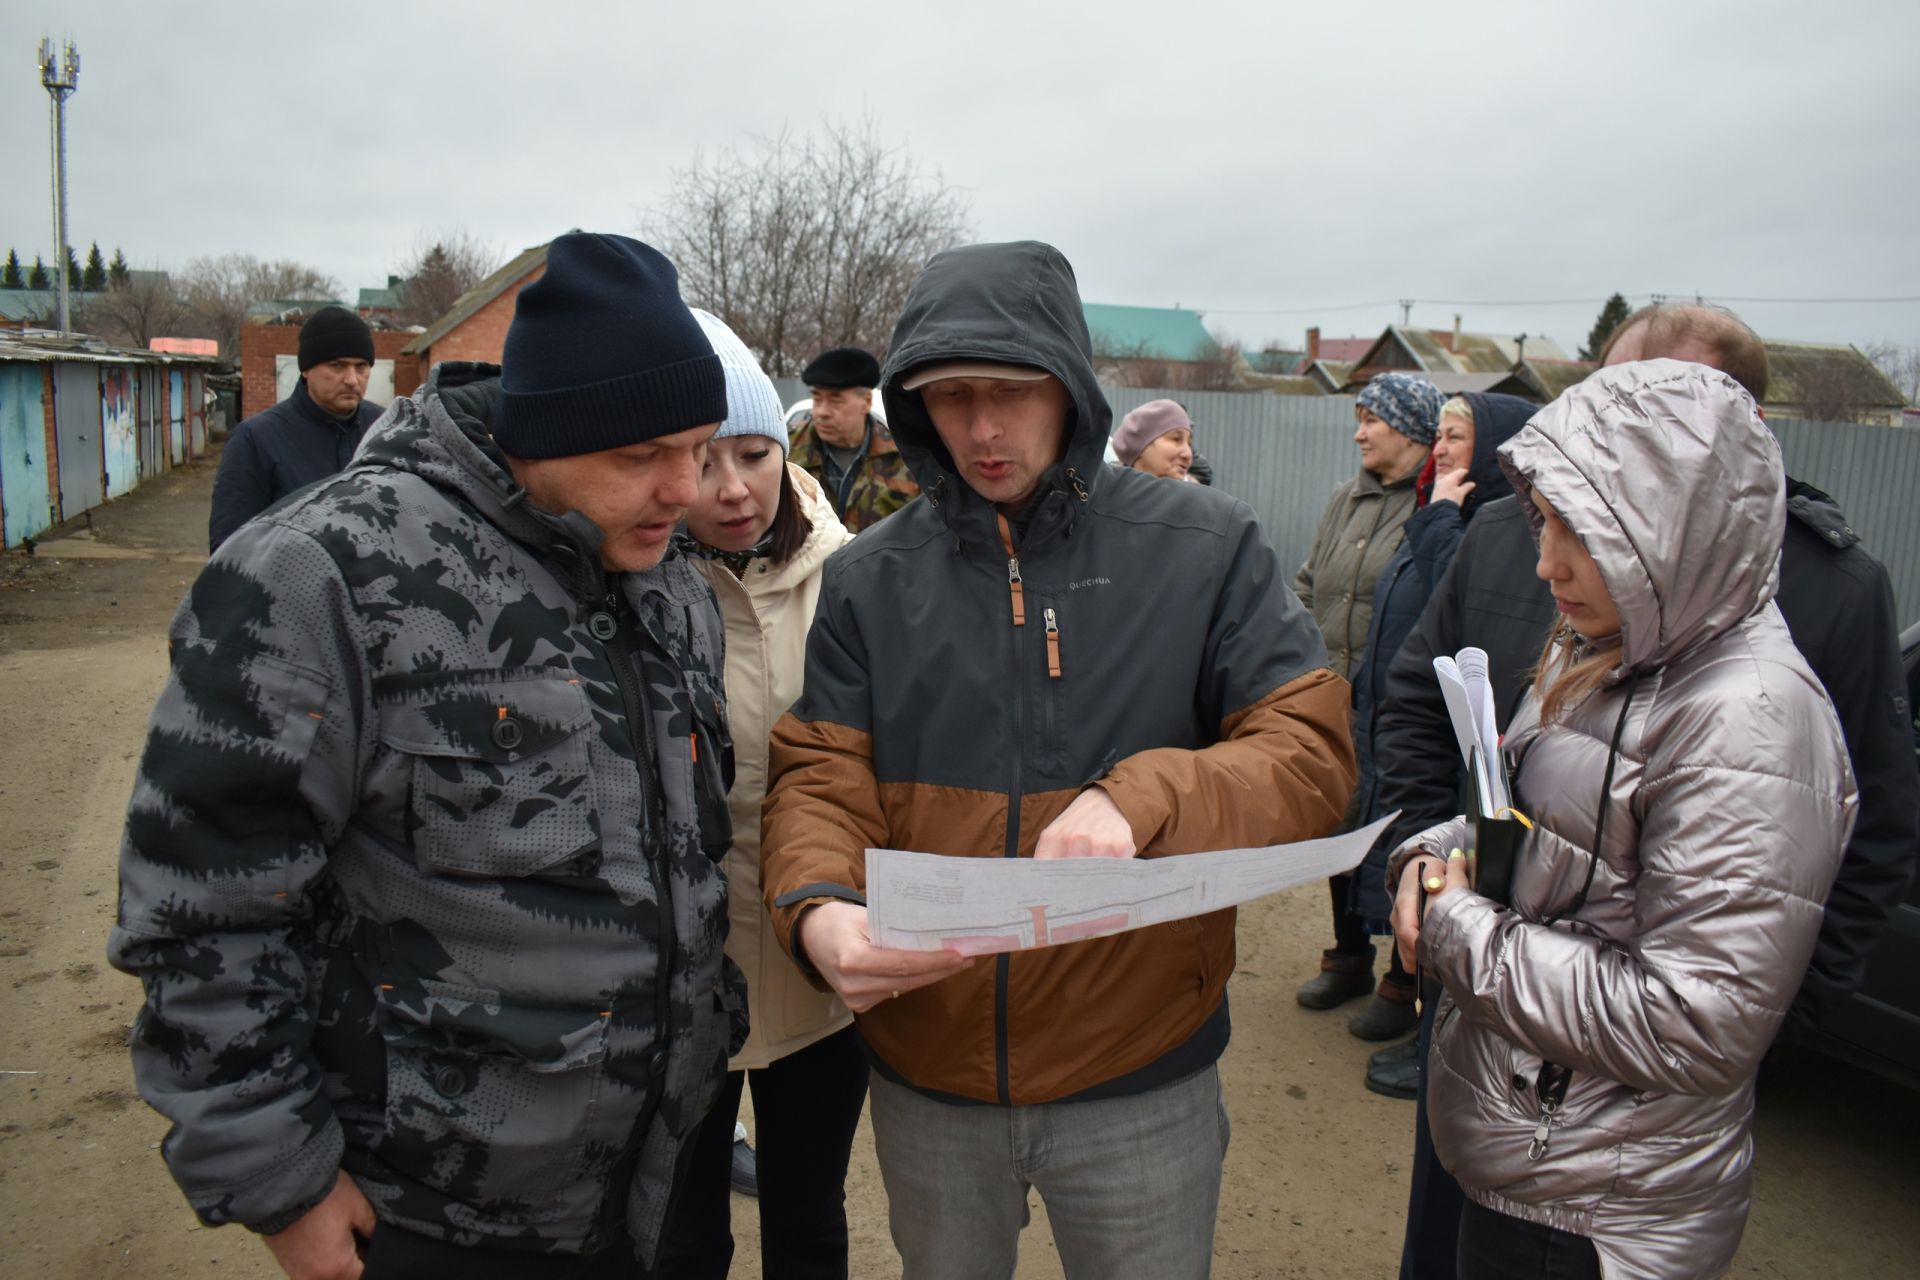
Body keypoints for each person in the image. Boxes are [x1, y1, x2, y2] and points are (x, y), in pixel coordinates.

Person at [108, 233, 744, 1280]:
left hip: (655, 1186)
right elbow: (200, 906)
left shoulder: (665, 577)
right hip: (433, 1215)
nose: (689, 486)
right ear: (541, 434)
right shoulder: (321, 575)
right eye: (642, 456)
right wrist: (281, 1181)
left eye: (703, 444)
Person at [760, 239, 1355, 1279]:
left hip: (1141, 1072)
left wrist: (1149, 791)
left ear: (1071, 386)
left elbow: (1310, 752)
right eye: (951, 397)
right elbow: (820, 776)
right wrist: (815, 902)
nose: (983, 429)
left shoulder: (1207, 545)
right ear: (913, 402)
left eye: (1014, 391)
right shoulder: (866, 579)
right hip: (929, 1071)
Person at [1371, 305, 1919, 1279]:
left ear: (1673, 518)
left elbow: (1692, 1016)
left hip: (1594, 1206)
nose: (1544, 565)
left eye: (1578, 532)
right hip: (1529, 1153)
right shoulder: (1608, 649)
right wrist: (1435, 851)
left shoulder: (1748, 715)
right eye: (1544, 526)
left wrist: (1456, 928)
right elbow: (1537, 823)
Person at [654, 311, 863, 1280]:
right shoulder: (631, 585)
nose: (733, 488)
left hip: (817, 962)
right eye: (704, 460)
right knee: (682, 1230)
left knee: (809, 1219)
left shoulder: (856, 578)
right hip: (682, 978)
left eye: (753, 453)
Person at [1342, 393, 1535, 1050]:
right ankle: (1404, 993)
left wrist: (1443, 519)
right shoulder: (1443, 511)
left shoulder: (1495, 530)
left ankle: (1424, 1015)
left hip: (1469, 749)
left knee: (1447, 877)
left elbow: (1456, 596)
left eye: (1457, 435)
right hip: (1408, 718)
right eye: (1442, 435)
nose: (1443, 447)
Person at [1291, 371, 1444, 1014]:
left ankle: (1404, 977)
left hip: (1401, 707)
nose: (1359, 433)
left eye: (1371, 421)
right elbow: (1307, 582)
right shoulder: (1343, 499)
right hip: (1337, 698)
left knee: (1403, 832)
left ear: (1410, 430)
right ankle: (1347, 956)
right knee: (1338, 826)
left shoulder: (1436, 506)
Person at [209, 305, 384, 550]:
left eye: (361, 367)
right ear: (306, 369)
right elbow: (230, 549)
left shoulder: (386, 429)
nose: (352, 379)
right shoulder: (257, 440)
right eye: (337, 366)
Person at [786, 345, 919, 531]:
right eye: (817, 399)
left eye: (835, 400)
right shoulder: (785, 452)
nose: (821, 412)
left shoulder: (904, 458)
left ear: (866, 402)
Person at [1111, 398, 1195, 480]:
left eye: (1189, 443)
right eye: (1176, 439)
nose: (1188, 455)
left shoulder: (1194, 492)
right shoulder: (1105, 491)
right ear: (1141, 448)